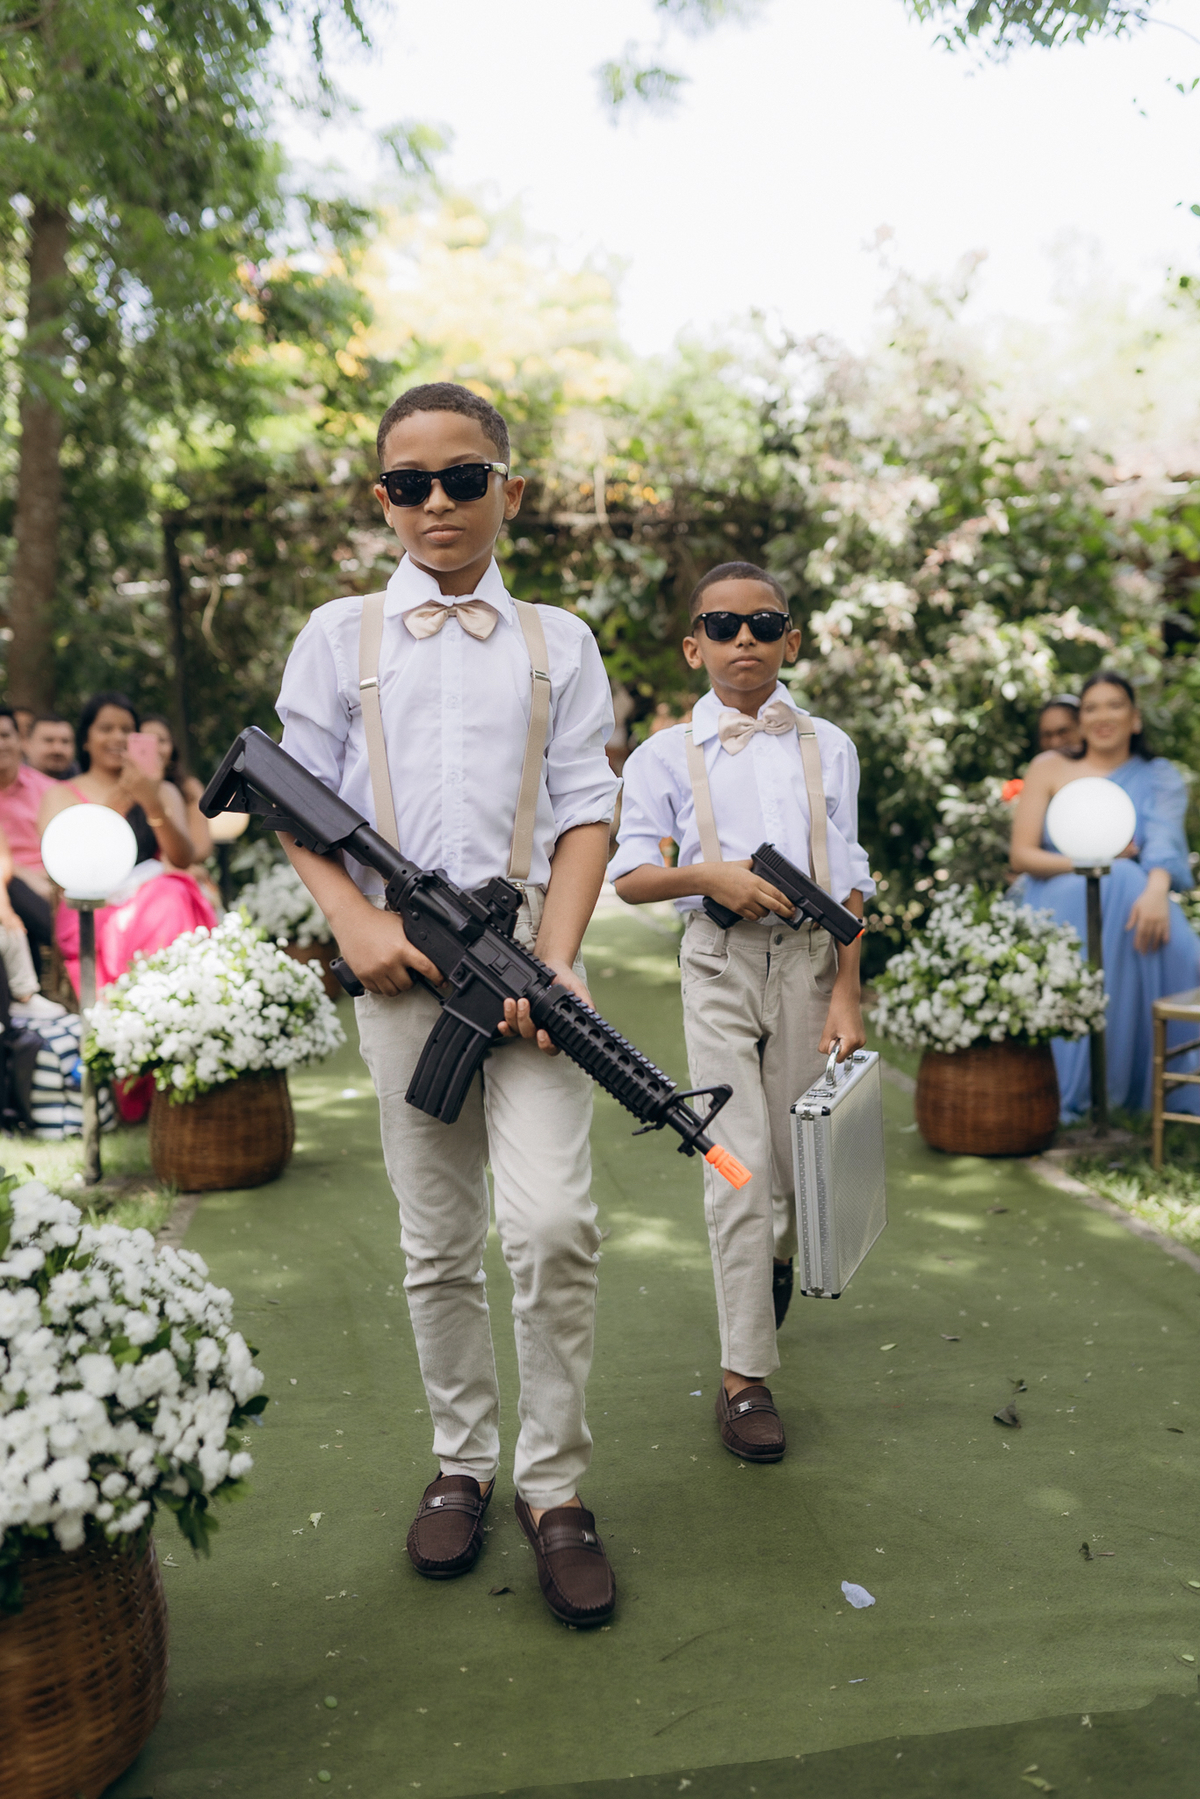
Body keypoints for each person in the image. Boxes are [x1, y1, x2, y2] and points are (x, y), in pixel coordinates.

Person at [276, 382, 621, 1627]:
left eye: (462, 477)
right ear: (382, 500)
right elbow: (290, 792)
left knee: (553, 1225)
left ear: (508, 492)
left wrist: (561, 954)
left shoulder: (557, 642)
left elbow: (588, 806)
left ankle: (556, 1485)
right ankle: (462, 1463)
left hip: (524, 966)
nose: (436, 502)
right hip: (400, 971)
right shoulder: (337, 637)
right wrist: (356, 922)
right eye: (408, 483)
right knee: (436, 1242)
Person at [609, 562, 873, 1464]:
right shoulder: (661, 756)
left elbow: (849, 880)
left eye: (763, 623)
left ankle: (776, 1263)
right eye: (722, 626)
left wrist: (848, 988)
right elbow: (633, 873)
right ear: (695, 647)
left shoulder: (827, 745)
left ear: (791, 640)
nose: (744, 640)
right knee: (735, 1164)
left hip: (806, 965)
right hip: (717, 968)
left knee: (798, 1164)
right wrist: (708, 876)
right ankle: (744, 1377)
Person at [1010, 670, 1200, 1119]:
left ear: (1134, 719)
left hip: (1134, 899)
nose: (1102, 716)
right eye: (1091, 707)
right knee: (1117, 878)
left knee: (1137, 892)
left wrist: (1157, 891)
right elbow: (1022, 853)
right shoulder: (1050, 768)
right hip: (1056, 894)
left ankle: (1138, 1081)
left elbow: (1164, 842)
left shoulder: (1158, 775)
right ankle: (1072, 1085)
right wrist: (1097, 862)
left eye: (1114, 705)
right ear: (1080, 720)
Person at [38, 692, 216, 1001]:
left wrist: (151, 801)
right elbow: (65, 866)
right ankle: (149, 1003)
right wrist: (121, 796)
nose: (117, 737)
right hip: (92, 906)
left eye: (126, 729)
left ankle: (173, 1003)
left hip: (158, 899)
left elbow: (182, 858)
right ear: (86, 739)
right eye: (106, 729)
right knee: (167, 900)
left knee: (172, 894)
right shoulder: (61, 794)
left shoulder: (164, 790)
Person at [0, 706, 57, 979]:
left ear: (19, 741)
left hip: (51, 887)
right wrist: (20, 873)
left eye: (4, 735)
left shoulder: (48, 790)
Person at [140, 715, 214, 863]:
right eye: (146, 740)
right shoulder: (124, 789)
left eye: (161, 740)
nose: (154, 747)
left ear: (172, 747)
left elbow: (202, 848)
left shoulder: (188, 788)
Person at [26, 714, 78, 780]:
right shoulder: (11, 783)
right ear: (27, 744)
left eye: (65, 741)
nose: (57, 749)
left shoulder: (84, 782)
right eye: (49, 740)